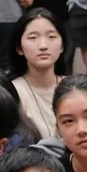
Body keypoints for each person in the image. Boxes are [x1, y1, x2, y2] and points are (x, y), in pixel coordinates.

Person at [9, 8, 67, 142]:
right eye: (33, 38)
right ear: (19, 48)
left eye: (51, 37)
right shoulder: (13, 92)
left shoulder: (75, 87)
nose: (43, 45)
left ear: (62, 46)